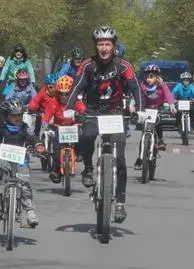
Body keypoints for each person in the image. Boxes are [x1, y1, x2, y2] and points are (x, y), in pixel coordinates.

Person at [66, 26, 144, 223]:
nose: (104, 48)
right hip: (92, 111)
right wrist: (69, 107)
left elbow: (135, 86)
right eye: (100, 44)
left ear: (113, 46)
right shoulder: (88, 65)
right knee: (85, 136)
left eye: (107, 44)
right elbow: (76, 86)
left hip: (115, 112)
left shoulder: (124, 66)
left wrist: (141, 110)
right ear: (96, 46)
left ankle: (120, 203)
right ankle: (89, 169)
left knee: (119, 158)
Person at [0, 97, 45, 227]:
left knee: (25, 185)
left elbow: (32, 138)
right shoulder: (1, 127)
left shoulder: (25, 128)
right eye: (14, 115)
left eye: (20, 115)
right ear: (6, 115)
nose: (17, 118)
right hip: (4, 158)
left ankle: (30, 212)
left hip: (22, 160)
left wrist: (38, 145)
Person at [40, 75, 87, 183]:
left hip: (74, 126)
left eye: (67, 93)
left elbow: (83, 111)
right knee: (56, 153)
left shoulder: (76, 102)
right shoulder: (54, 102)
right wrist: (44, 124)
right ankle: (56, 170)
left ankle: (79, 154)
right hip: (59, 127)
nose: (64, 96)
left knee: (83, 137)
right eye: (61, 93)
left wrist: (83, 117)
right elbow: (47, 116)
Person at [133, 64, 175, 171]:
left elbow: (168, 95)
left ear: (157, 77)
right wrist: (132, 105)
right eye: (147, 77)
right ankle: (140, 157)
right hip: (145, 109)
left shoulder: (162, 85)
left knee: (159, 122)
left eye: (151, 77)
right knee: (144, 135)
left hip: (158, 109)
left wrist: (172, 106)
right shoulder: (142, 86)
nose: (149, 79)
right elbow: (137, 96)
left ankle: (160, 140)